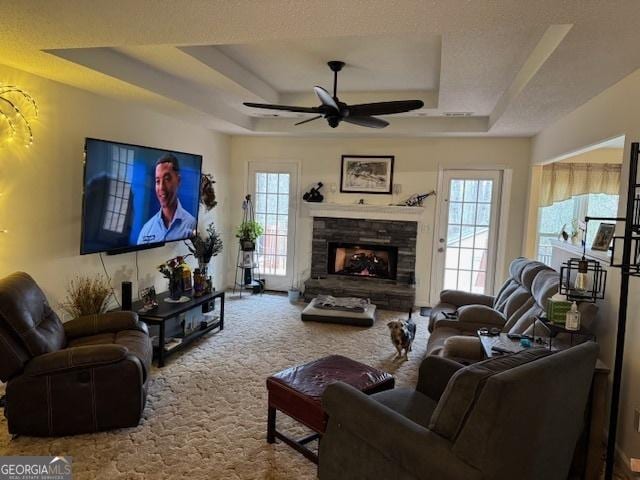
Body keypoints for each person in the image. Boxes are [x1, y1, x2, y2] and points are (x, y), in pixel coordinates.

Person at [137, 154, 196, 244]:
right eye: (157, 181)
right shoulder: (146, 230)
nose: (161, 187)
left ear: (178, 181)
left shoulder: (191, 225)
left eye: (167, 179)